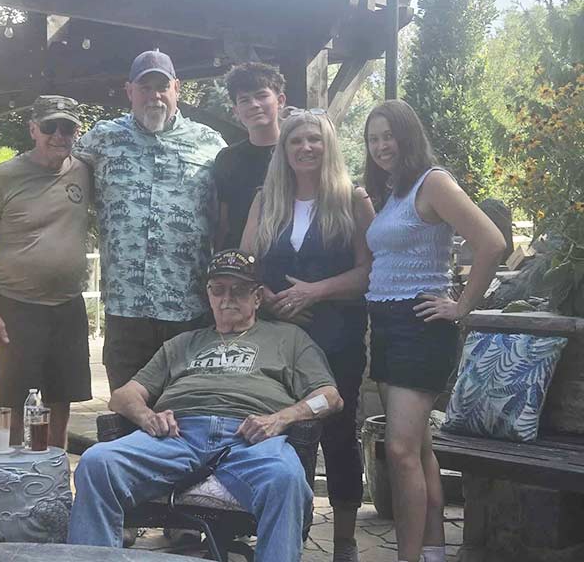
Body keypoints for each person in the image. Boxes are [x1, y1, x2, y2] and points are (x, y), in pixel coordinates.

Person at [67, 249, 344, 562]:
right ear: (208, 295)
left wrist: (281, 419)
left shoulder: (289, 339)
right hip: (177, 436)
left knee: (286, 479)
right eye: (218, 289)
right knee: (97, 463)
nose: (227, 298)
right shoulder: (182, 344)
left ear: (257, 297)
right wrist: (147, 416)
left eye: (239, 290)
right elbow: (123, 395)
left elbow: (329, 397)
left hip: (250, 439)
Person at [0, 51, 226, 392]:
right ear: (129, 91)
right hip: (126, 311)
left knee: (185, 410)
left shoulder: (211, 144)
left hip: (188, 309)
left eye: (162, 86)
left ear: (177, 89)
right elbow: (51, 160)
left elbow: (232, 207)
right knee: (126, 410)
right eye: (144, 87)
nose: (154, 95)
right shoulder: (102, 139)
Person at [363, 100, 506, 562]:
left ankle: (407, 557)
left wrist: (461, 307)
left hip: (421, 327)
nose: (381, 146)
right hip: (387, 326)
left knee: (400, 450)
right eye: (373, 138)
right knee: (420, 449)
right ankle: (434, 551)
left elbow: (492, 243)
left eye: (388, 136)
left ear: (408, 136)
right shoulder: (393, 191)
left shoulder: (434, 182)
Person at [241, 108, 376, 562]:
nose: (305, 147)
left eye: (314, 139)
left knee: (338, 434)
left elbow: (370, 271)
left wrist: (315, 291)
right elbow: (245, 262)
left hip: (338, 338)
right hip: (278, 339)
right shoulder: (266, 200)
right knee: (281, 432)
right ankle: (286, 533)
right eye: (296, 140)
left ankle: (344, 541)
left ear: (328, 145)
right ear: (284, 149)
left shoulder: (352, 199)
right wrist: (266, 297)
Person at [0, 95, 92, 449]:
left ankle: (54, 471)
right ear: (33, 129)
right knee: (13, 404)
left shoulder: (86, 171)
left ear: (76, 132)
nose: (59, 135)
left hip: (68, 307)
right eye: (50, 126)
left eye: (67, 128)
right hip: (17, 307)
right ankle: (10, 471)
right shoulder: (1, 177)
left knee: (61, 401)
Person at [215, 62, 286, 250]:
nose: (254, 105)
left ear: (280, 100)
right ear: (236, 110)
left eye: (262, 96)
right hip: (238, 260)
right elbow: (223, 224)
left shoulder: (297, 154)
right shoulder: (227, 159)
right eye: (244, 100)